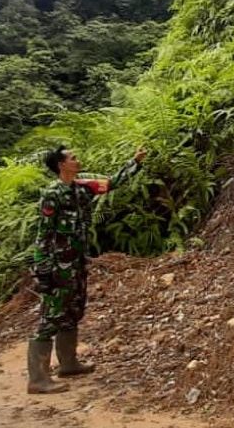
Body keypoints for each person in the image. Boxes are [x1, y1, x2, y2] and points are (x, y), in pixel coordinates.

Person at [26, 145, 147, 394]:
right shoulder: (52, 194)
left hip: (77, 263)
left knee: (73, 312)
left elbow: (110, 184)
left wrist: (134, 162)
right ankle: (37, 379)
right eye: (73, 158)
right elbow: (43, 235)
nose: (78, 160)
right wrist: (43, 271)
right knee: (51, 318)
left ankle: (68, 364)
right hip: (57, 267)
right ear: (61, 165)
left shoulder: (82, 188)